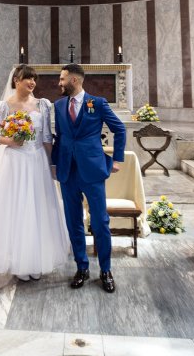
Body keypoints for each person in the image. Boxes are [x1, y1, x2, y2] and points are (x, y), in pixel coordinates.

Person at [0, 64, 69, 280]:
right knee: (15, 207)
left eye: (34, 78)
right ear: (16, 80)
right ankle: (17, 260)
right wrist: (12, 140)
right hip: (14, 162)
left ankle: (35, 259)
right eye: (28, 78)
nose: (32, 82)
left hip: (37, 161)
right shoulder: (1, 107)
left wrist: (52, 164)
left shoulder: (43, 105)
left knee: (37, 207)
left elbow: (46, 137)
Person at [52, 63, 126, 293]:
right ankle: (82, 267)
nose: (59, 83)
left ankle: (105, 270)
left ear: (74, 80)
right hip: (67, 171)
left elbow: (119, 129)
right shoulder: (59, 105)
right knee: (73, 222)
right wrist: (54, 163)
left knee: (100, 222)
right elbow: (60, 136)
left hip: (92, 170)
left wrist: (117, 160)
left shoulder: (98, 103)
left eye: (62, 79)